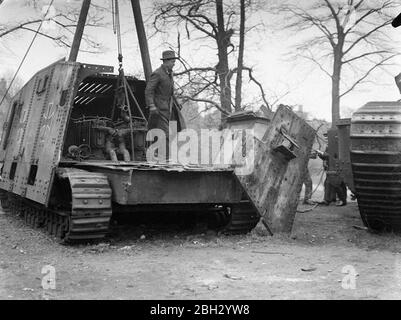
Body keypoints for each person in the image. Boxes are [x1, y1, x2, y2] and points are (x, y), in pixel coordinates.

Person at [145, 50, 180, 160]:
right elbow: (148, 91)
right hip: (158, 110)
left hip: (168, 109)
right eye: (173, 61)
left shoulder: (169, 73)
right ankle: (166, 159)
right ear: (166, 61)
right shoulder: (158, 73)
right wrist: (151, 105)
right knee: (165, 133)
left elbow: (170, 92)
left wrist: (177, 103)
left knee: (174, 131)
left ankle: (159, 156)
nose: (174, 63)